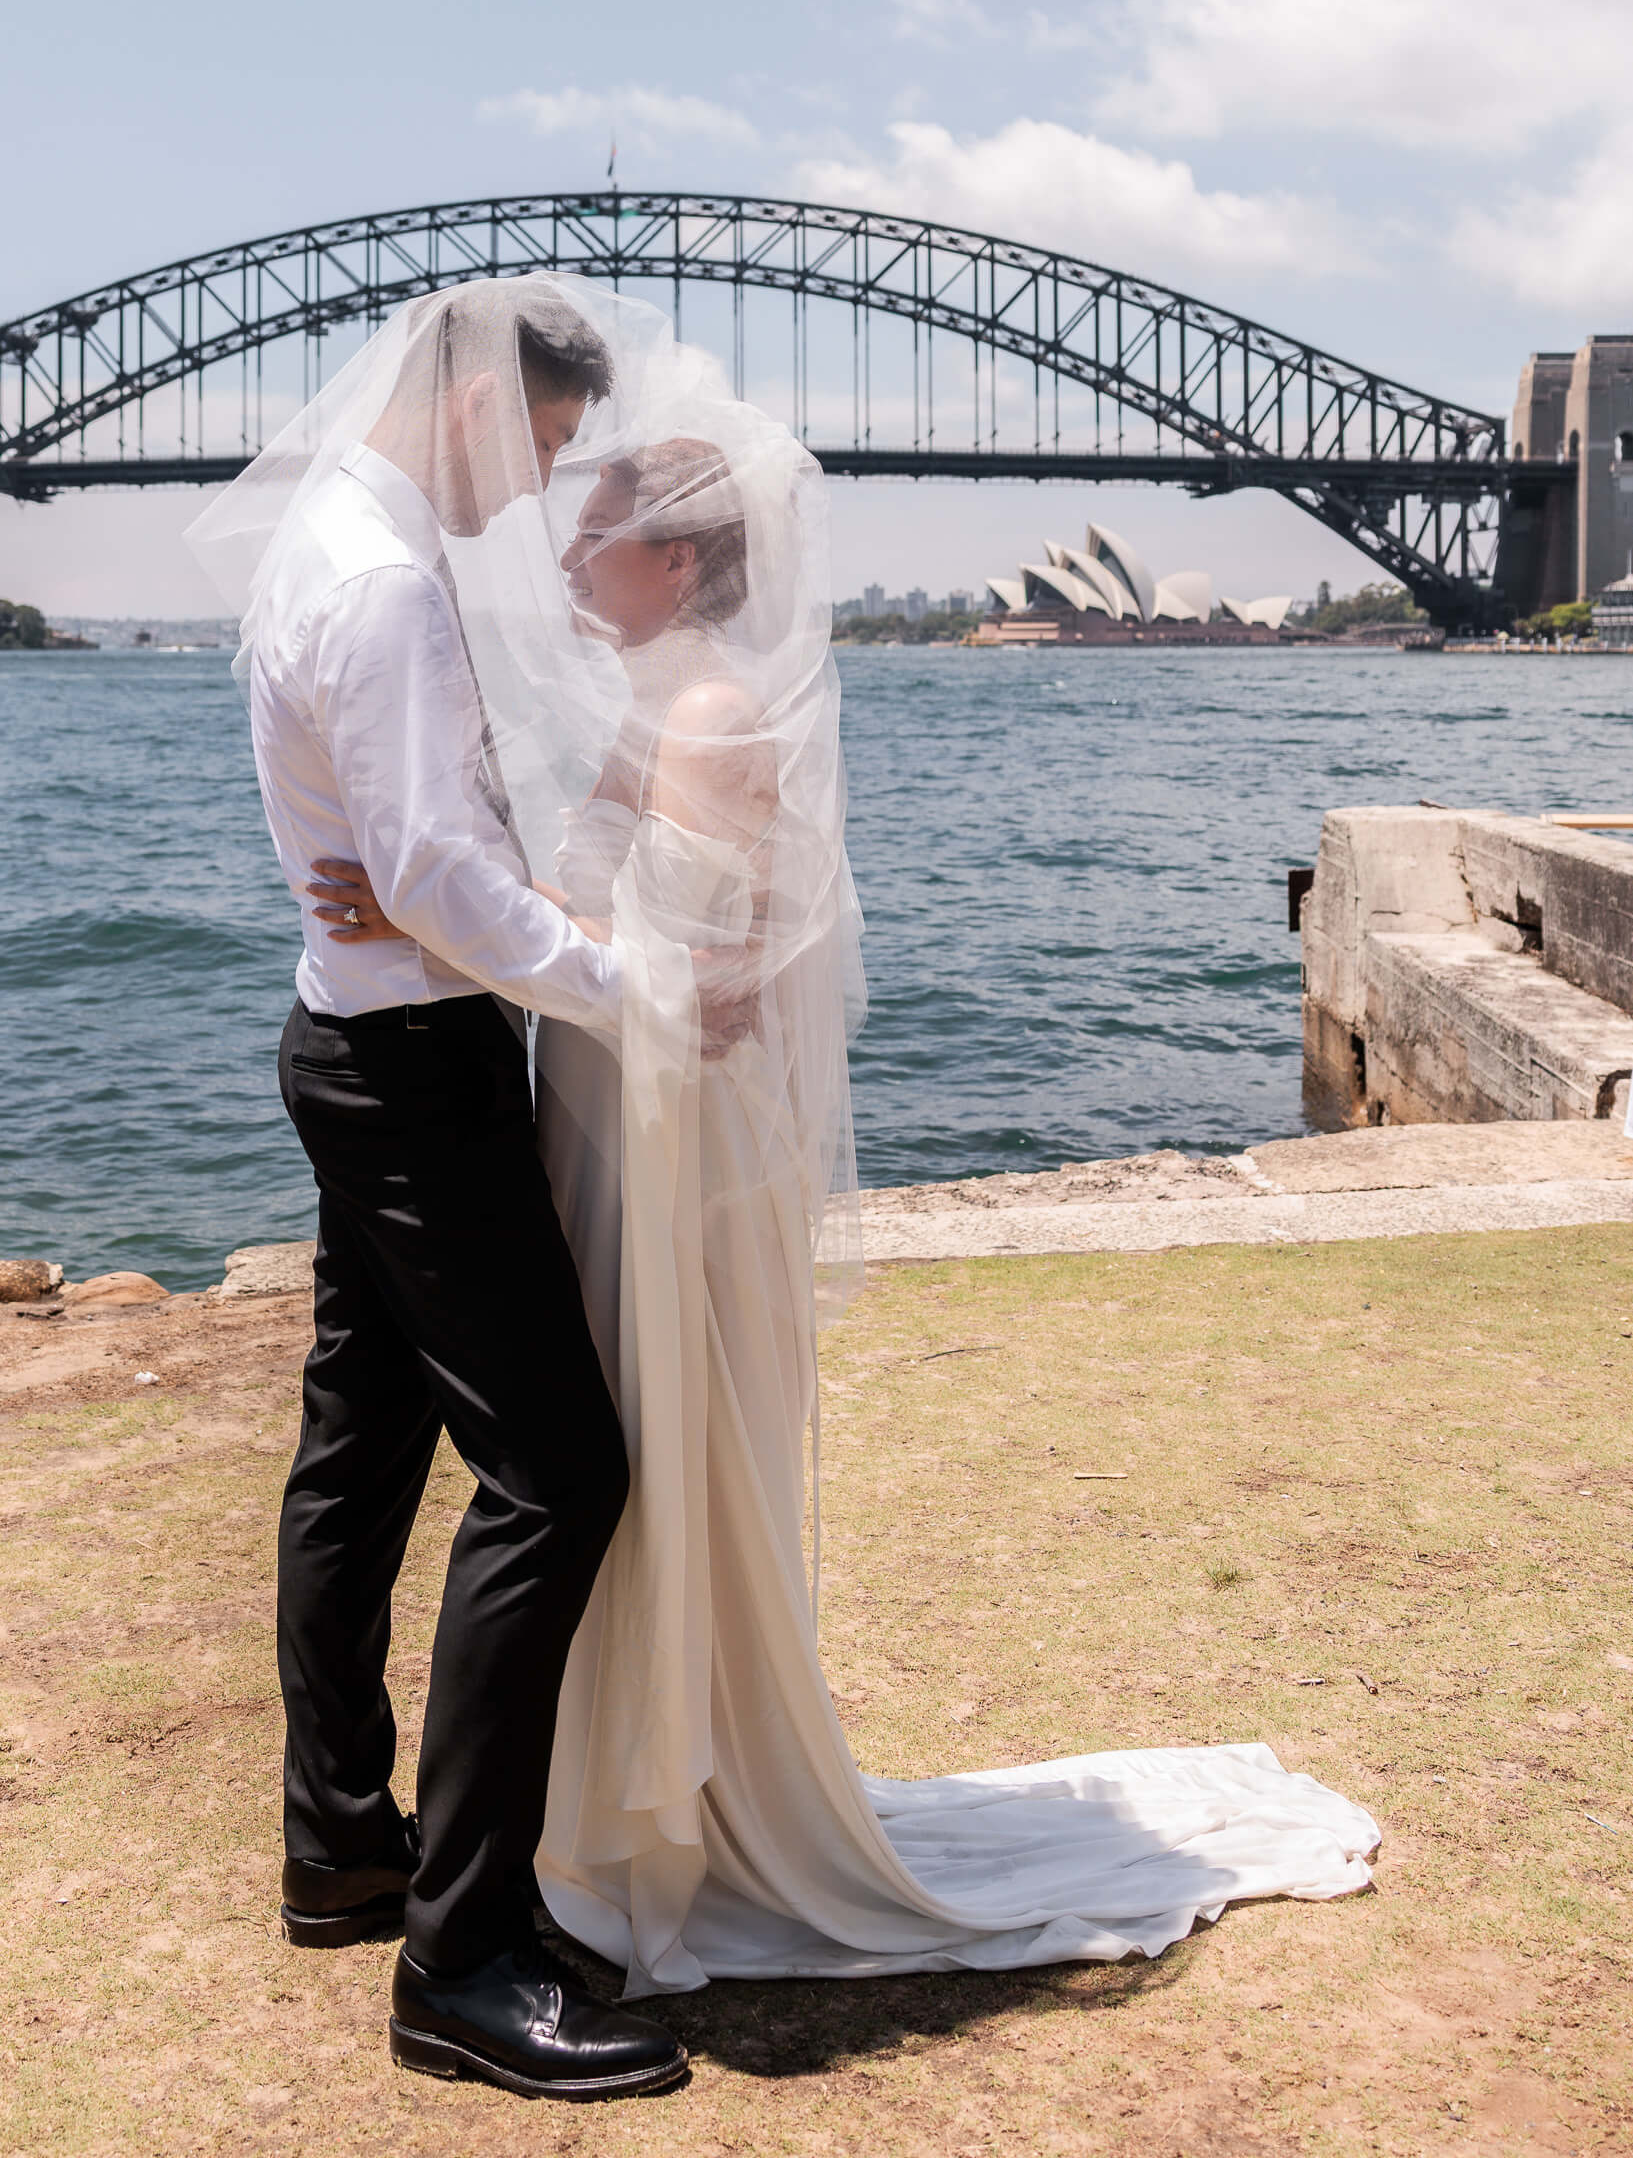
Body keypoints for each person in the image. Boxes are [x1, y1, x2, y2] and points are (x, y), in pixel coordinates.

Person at [310, 280, 1381, 2004]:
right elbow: (570, 913)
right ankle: (610, 1800)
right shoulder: (655, 702)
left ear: (675, 561)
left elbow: (717, 990)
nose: (564, 552)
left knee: (656, 1436)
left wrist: (452, 923)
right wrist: (430, 908)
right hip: (604, 1110)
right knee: (609, 1444)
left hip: (663, 1141)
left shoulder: (716, 719)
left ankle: (688, 1799)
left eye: (596, 527)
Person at [186, 278, 689, 2103]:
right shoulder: (389, 577)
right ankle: (459, 1960)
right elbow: (430, 870)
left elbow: (405, 858)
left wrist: (435, 887)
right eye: (548, 445)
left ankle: (341, 1843)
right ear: (480, 400)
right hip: (416, 1075)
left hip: (350, 1044)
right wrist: (643, 995)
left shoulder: (329, 538)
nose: (543, 488)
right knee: (562, 1473)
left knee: (363, 1449)